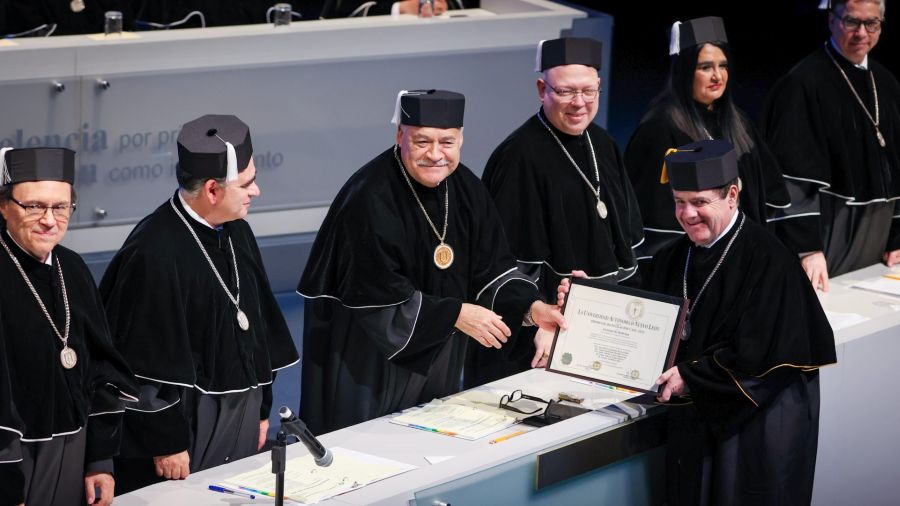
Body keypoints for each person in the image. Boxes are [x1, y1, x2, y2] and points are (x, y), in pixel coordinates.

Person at [561, 140, 836, 505]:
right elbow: (641, 310)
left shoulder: (771, 261)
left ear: (732, 195)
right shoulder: (677, 256)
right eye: (679, 202)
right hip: (700, 417)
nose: (687, 214)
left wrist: (692, 376)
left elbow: (763, 355)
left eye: (700, 202)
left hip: (757, 423)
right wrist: (588, 298)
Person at [297, 89, 566, 434]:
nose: (436, 154)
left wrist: (533, 307)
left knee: (430, 434)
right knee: (367, 445)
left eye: (447, 142)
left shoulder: (466, 188)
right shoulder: (369, 196)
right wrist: (455, 314)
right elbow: (378, 296)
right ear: (400, 135)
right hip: (369, 359)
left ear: (461, 138)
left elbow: (492, 268)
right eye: (422, 141)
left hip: (438, 348)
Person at [100, 115, 299, 493]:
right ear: (211, 190)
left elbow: (256, 328)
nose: (256, 191)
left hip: (238, 419)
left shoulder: (238, 230)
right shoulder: (153, 252)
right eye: (247, 183)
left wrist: (260, 410)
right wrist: (165, 440)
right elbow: (137, 367)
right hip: (185, 428)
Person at [475, 37, 643, 387]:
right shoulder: (517, 157)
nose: (579, 103)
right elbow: (500, 263)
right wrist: (539, 317)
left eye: (589, 91)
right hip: (537, 336)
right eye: (566, 92)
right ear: (542, 89)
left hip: (598, 326)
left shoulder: (603, 143)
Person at [0, 147, 138, 506]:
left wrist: (99, 460)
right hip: (14, 458)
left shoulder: (73, 268)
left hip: (75, 451)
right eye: (34, 206)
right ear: (4, 206)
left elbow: (100, 366)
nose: (49, 220)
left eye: (61, 207)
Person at [625, 16, 790, 265]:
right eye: (705, 67)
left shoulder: (738, 122)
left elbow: (768, 191)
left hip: (743, 255)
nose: (717, 76)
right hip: (693, 263)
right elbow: (654, 217)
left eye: (723, 66)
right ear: (684, 71)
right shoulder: (659, 127)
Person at [762, 0, 900, 291]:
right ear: (831, 20)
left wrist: (896, 236)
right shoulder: (803, 82)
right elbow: (792, 174)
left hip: (880, 229)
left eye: (871, 23)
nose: (861, 33)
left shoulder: (887, 83)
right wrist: (807, 247)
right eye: (852, 22)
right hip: (827, 228)